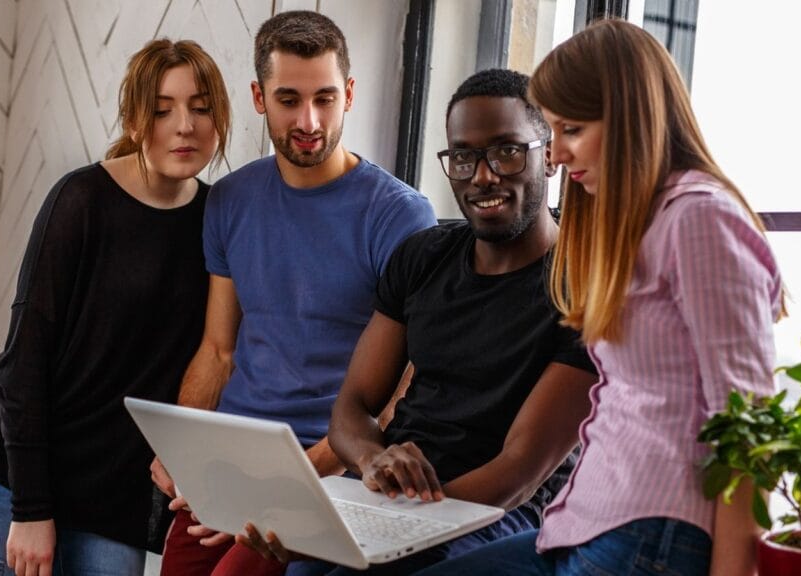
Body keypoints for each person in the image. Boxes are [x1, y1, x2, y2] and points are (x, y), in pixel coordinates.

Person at [411, 19, 785, 576]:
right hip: (583, 523)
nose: (556, 154)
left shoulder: (701, 219)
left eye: (573, 129)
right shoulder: (641, 224)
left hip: (652, 533)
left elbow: (749, 426)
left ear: (632, 119)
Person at [238, 68, 600, 576]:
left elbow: (518, 474)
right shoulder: (424, 257)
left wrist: (379, 526)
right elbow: (354, 406)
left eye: (507, 152)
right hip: (394, 495)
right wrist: (371, 461)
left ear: (550, 158)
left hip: (501, 514)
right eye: (464, 157)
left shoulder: (583, 289)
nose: (483, 176)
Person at [153, 11, 437, 576]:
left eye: (325, 99)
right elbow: (218, 351)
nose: (308, 120)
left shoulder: (400, 216)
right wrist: (184, 453)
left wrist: (277, 490)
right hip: (231, 463)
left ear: (350, 94)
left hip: (327, 474)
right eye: (288, 99)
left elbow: (400, 390)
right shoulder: (230, 200)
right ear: (260, 98)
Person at [0, 38, 231, 576]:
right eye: (162, 108)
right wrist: (31, 510)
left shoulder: (218, 219)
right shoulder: (81, 200)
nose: (185, 125)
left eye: (201, 107)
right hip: (17, 473)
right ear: (133, 119)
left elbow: (218, 352)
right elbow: (21, 363)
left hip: (114, 492)